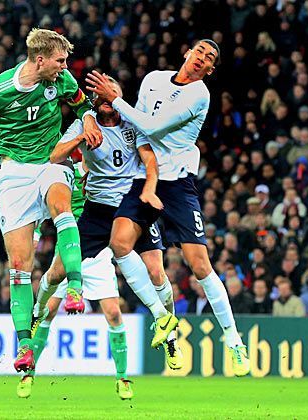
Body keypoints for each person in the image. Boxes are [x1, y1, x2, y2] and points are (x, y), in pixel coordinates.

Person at [85, 39, 250, 376]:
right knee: (120, 245)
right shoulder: (153, 80)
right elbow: (139, 132)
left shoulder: (198, 95)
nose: (202, 58)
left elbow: (153, 126)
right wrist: (148, 174)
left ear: (210, 69)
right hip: (145, 176)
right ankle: (165, 320)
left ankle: (233, 341)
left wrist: (115, 98)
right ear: (186, 52)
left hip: (177, 184)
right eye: (200, 51)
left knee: (199, 265)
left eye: (209, 58)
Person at [16, 77, 183, 399]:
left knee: (156, 271)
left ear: (119, 95)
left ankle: (168, 330)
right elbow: (54, 156)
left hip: (132, 205)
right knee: (58, 271)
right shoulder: (85, 122)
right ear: (94, 101)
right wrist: (81, 136)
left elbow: (150, 158)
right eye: (100, 96)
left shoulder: (133, 122)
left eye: (111, 94)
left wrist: (149, 188)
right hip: (96, 210)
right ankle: (36, 316)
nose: (106, 99)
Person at [0, 28, 102, 373]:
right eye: (60, 60)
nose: (65, 66)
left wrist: (87, 117)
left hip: (48, 163)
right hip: (14, 176)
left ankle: (75, 286)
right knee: (19, 265)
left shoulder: (61, 80)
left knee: (62, 206)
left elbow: (81, 102)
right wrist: (0, 154)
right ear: (39, 60)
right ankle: (25, 345)